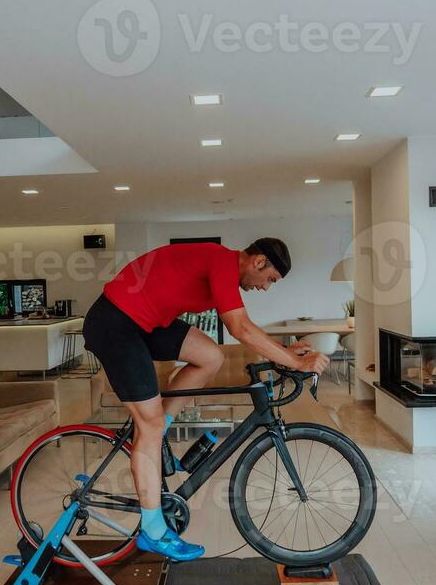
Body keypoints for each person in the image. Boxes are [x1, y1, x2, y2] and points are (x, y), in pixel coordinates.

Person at [82, 238, 329, 561]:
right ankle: (153, 531)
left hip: (146, 322)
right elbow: (239, 328)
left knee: (210, 355)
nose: (266, 288)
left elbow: (245, 325)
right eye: (269, 280)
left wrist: (284, 352)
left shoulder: (222, 266)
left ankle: (158, 432)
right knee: (150, 425)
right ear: (258, 262)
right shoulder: (222, 263)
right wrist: (294, 362)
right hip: (115, 323)